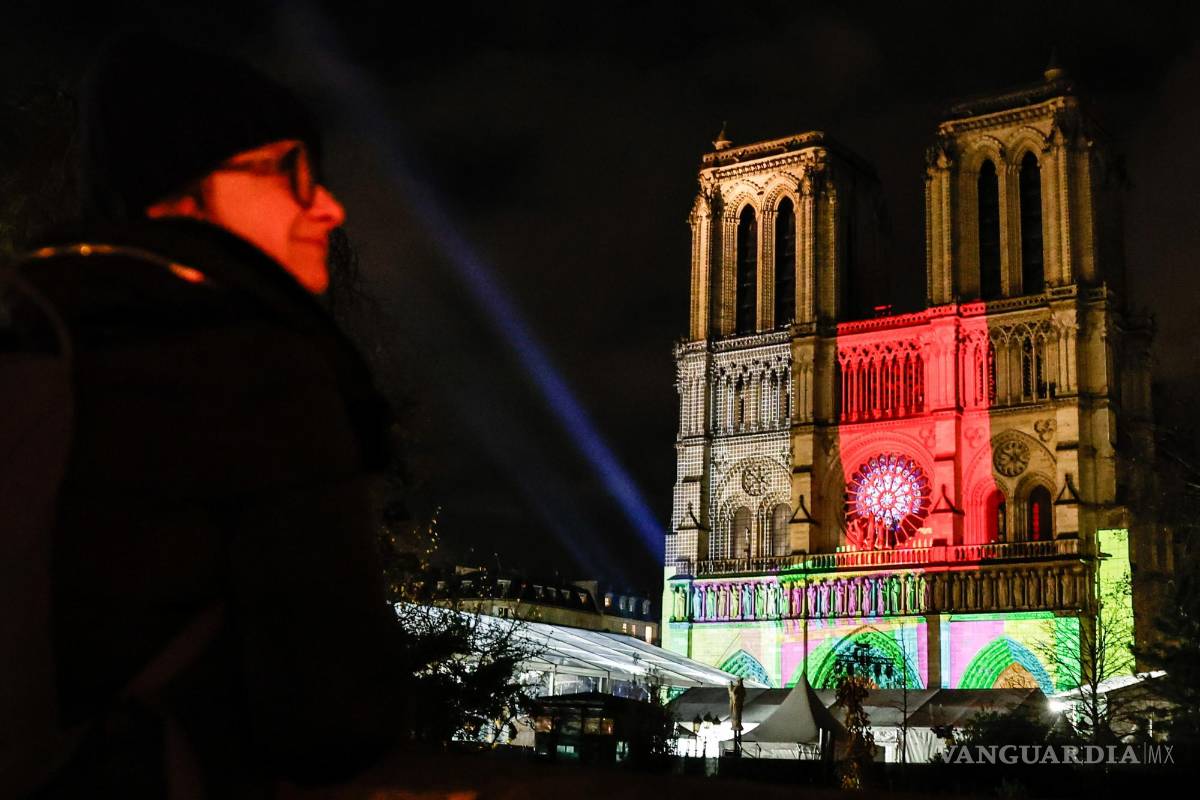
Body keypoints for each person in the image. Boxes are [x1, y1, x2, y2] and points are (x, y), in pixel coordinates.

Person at [0, 34, 404, 796]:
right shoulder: (252, 371)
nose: (328, 206)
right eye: (289, 173)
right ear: (186, 187)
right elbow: (338, 713)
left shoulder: (37, 323)